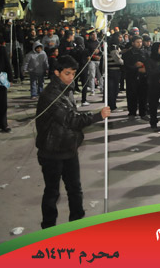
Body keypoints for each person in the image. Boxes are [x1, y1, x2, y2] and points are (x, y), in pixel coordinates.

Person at [35, 55, 111, 228]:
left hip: (68, 148)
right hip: (51, 151)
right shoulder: (50, 95)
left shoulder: (66, 89)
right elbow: (71, 119)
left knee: (75, 189)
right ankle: (48, 228)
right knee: (52, 192)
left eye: (73, 74)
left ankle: (76, 224)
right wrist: (97, 116)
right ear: (57, 72)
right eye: (67, 73)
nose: (71, 77)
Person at [122, 35, 148, 119]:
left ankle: (143, 113)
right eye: (137, 42)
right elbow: (126, 66)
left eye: (140, 42)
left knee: (143, 96)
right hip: (131, 77)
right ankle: (132, 112)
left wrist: (144, 67)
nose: (139, 44)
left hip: (143, 78)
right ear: (133, 43)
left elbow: (149, 64)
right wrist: (136, 68)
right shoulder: (127, 54)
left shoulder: (145, 53)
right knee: (132, 95)